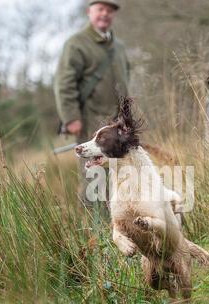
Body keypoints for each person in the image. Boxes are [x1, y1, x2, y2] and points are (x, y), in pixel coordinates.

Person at [54, 0, 129, 205]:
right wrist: (71, 117)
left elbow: (125, 80)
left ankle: (118, 223)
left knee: (120, 173)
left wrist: (126, 118)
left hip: (117, 123)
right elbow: (64, 82)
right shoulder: (76, 43)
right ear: (89, 12)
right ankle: (94, 230)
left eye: (110, 10)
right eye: (100, 9)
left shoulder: (119, 46)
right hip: (90, 118)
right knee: (93, 175)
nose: (105, 14)